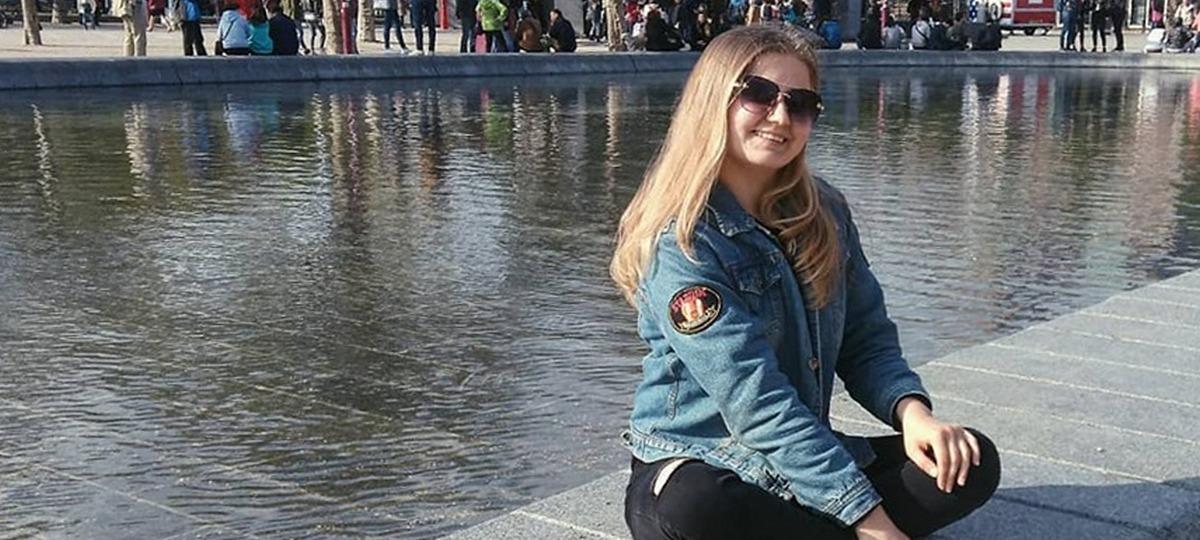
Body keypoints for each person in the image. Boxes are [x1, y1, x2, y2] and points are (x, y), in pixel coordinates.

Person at [613, 23, 1000, 540]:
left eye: (800, 104)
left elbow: (866, 340)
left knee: (969, 460)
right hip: (700, 460)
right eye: (759, 94)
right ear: (713, 100)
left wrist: (914, 415)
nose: (780, 117)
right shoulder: (682, 239)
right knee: (698, 507)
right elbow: (755, 399)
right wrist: (872, 521)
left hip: (796, 459)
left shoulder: (826, 211)